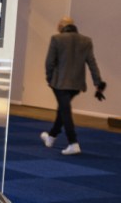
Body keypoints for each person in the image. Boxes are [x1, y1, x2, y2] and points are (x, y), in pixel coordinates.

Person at [41, 16, 107, 155]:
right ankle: (51, 137)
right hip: (77, 84)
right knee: (63, 109)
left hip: (59, 83)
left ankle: (73, 143)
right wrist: (98, 83)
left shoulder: (56, 39)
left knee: (65, 111)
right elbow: (92, 63)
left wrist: (49, 78)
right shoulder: (86, 40)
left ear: (61, 26)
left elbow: (49, 63)